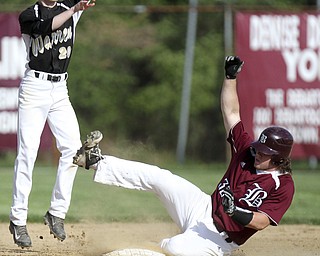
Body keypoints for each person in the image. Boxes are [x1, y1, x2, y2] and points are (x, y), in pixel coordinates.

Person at [73, 56, 295, 256]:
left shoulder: (282, 185)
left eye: (265, 153)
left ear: (279, 158)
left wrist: (234, 211)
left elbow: (261, 222)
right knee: (159, 177)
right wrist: (230, 77)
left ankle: (155, 248)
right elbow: (231, 113)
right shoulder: (247, 151)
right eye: (259, 148)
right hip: (202, 206)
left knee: (173, 248)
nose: (258, 153)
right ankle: (95, 162)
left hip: (218, 239)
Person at [9, 0, 96, 249]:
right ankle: (18, 220)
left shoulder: (69, 7)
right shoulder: (29, 15)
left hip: (60, 89)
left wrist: (76, 8)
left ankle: (56, 212)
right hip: (34, 88)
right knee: (27, 154)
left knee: (73, 149)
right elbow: (47, 27)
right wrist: (74, 10)